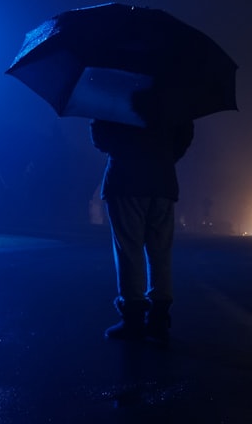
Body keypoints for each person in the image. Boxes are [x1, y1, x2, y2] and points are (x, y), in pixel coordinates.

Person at [90, 116, 195, 342]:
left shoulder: (115, 92)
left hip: (126, 180)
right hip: (162, 181)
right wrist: (164, 157)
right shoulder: (171, 94)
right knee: (160, 252)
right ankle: (159, 316)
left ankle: (133, 317)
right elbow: (185, 135)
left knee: (129, 250)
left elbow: (100, 139)